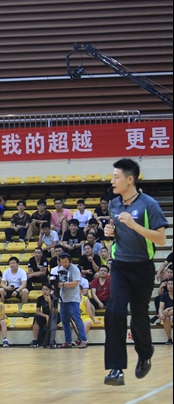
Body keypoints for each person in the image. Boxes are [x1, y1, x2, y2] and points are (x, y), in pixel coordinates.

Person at [103, 158, 168, 386]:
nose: (112, 181)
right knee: (115, 311)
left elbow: (161, 239)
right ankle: (116, 369)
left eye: (116, 177)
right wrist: (109, 232)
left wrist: (134, 225)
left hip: (142, 268)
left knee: (139, 318)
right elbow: (115, 232)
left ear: (129, 179)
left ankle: (145, 353)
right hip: (120, 266)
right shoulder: (114, 204)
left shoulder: (149, 204)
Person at [56, 253, 87, 349]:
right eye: (62, 262)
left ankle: (83, 340)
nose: (64, 264)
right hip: (63, 299)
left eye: (65, 262)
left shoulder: (75, 269)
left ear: (69, 260)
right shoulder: (60, 269)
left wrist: (63, 284)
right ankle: (68, 341)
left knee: (77, 320)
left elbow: (76, 283)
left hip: (73, 299)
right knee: (65, 322)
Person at [30, 283, 53, 348]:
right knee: (36, 318)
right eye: (43, 289)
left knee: (53, 319)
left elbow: (53, 311)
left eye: (46, 289)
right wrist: (46, 316)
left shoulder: (53, 298)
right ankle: (35, 340)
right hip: (44, 316)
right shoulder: (40, 298)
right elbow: (37, 312)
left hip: (53, 315)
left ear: (50, 290)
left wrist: (49, 302)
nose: (44, 291)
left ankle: (52, 340)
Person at [158, 279, 173, 345]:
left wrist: (168, 308)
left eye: (172, 284)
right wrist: (160, 314)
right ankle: (169, 339)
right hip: (168, 314)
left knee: (166, 314)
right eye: (169, 284)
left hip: (168, 312)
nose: (170, 286)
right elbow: (161, 307)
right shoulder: (164, 295)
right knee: (166, 318)